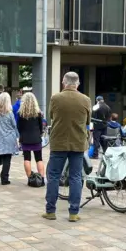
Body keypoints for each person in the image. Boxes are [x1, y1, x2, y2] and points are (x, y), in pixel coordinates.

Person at [42, 71, 91, 222]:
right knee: (76, 177)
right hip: (78, 142)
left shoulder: (55, 98)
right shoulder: (86, 100)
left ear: (64, 82)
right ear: (78, 84)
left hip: (58, 142)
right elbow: (88, 121)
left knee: (54, 176)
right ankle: (73, 212)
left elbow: (51, 116)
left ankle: (50, 211)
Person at [17, 92, 45, 183]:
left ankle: (30, 179)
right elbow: (41, 127)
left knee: (27, 158)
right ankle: (42, 179)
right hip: (36, 138)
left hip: (25, 139)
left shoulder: (21, 114)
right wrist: (39, 133)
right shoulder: (38, 113)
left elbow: (19, 127)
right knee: (39, 158)